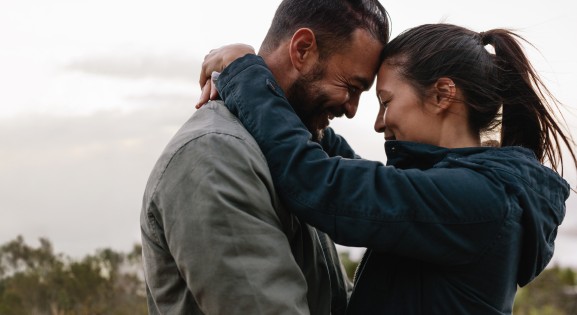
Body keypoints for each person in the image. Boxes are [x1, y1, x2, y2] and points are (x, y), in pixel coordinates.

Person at [199, 23, 577, 314]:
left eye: (386, 101)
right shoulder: (472, 191)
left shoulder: (479, 200)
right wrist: (309, 116)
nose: (379, 123)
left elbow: (323, 184)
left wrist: (244, 72)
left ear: (443, 94)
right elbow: (359, 177)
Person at [140, 0, 390, 314]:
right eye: (351, 86)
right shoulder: (216, 158)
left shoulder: (292, 150)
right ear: (301, 49)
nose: (352, 109)